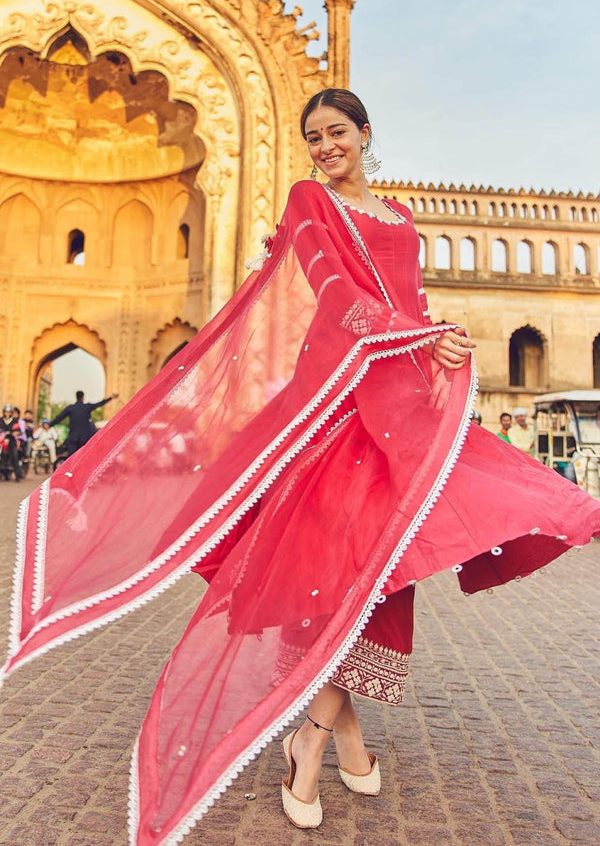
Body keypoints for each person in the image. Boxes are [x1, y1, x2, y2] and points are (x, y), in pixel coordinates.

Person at [3, 90, 600, 846]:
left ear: (365, 134)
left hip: (400, 408)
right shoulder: (308, 201)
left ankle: (329, 741)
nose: (325, 146)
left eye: (337, 132)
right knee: (336, 580)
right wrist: (407, 334)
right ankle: (317, 745)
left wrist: (434, 345)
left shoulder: (402, 219)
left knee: (394, 566)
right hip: (336, 412)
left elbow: (409, 297)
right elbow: (335, 293)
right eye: (314, 136)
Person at [49, 390, 118, 457]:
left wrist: (50, 424)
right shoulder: (87, 407)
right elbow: (99, 404)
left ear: (76, 397)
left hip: (73, 438)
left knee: (71, 459)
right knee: (83, 458)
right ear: (83, 397)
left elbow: (59, 417)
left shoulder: (71, 408)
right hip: (84, 439)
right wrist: (111, 397)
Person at [0, 404, 23, 481]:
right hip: (1, 441)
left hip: (11, 440)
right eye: (6, 412)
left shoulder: (14, 420)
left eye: (9, 412)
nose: (7, 413)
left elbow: (18, 430)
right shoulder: (1, 420)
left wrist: (15, 432)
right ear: (4, 412)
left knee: (15, 455)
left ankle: (17, 476)